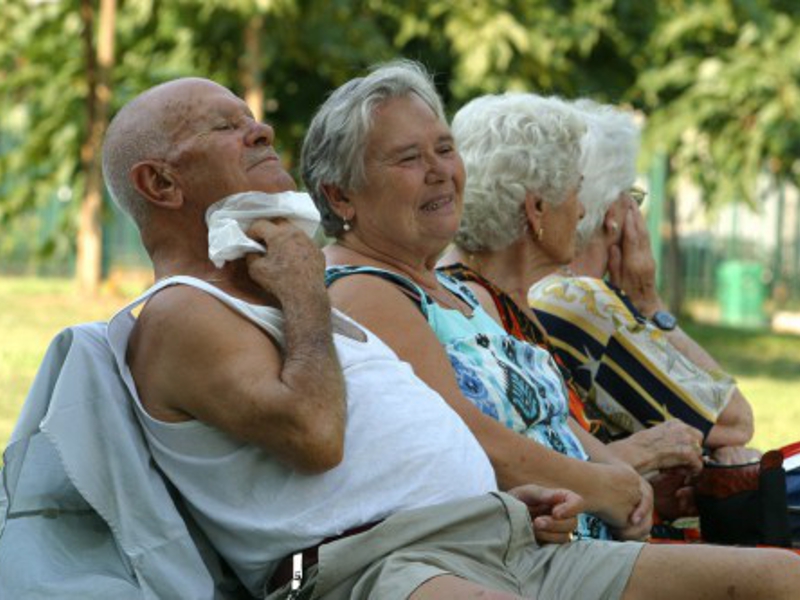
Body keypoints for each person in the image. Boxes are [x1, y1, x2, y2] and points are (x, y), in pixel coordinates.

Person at [100, 75, 647, 600]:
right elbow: (316, 435)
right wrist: (304, 290)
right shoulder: (188, 311)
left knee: (734, 575)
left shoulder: (276, 298)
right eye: (225, 127)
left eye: (443, 149)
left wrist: (489, 506)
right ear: (161, 183)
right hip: (387, 566)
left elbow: (384, 448)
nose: (262, 131)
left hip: (487, 534)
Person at [300, 58, 800, 597]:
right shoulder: (363, 289)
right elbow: (463, 435)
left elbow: (562, 424)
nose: (439, 169)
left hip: (558, 544)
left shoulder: (459, 293)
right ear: (340, 194)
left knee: (780, 575)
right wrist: (608, 488)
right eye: (407, 158)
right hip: (479, 556)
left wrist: (624, 479)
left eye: (445, 148)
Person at [435, 93, 714, 519]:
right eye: (577, 191)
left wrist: (644, 493)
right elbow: (509, 470)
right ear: (537, 209)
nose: (584, 210)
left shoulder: (499, 302)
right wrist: (639, 457)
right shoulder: (470, 311)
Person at [523, 98, 755, 462]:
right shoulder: (578, 300)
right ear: (612, 214)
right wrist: (652, 304)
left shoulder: (540, 289)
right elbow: (734, 421)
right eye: (631, 196)